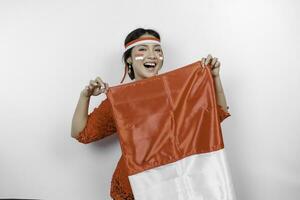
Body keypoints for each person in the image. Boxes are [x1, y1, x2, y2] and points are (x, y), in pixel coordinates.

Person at [71, 28, 230, 200]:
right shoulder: (119, 100)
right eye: (143, 49)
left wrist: (214, 78)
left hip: (179, 181)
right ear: (129, 59)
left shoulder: (179, 91)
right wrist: (85, 96)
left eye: (157, 50)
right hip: (137, 185)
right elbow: (81, 133)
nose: (152, 55)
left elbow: (216, 115)